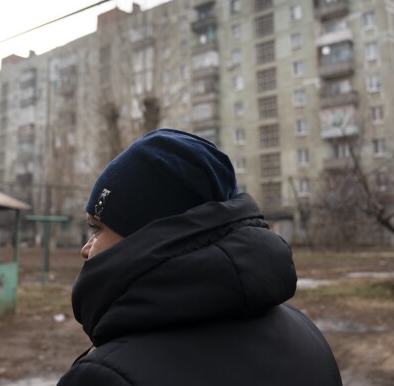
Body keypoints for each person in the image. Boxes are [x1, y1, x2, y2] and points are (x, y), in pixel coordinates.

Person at [58, 129, 342, 386]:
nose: (86, 248)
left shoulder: (106, 377)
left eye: (96, 229)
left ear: (145, 236)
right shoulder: (308, 337)